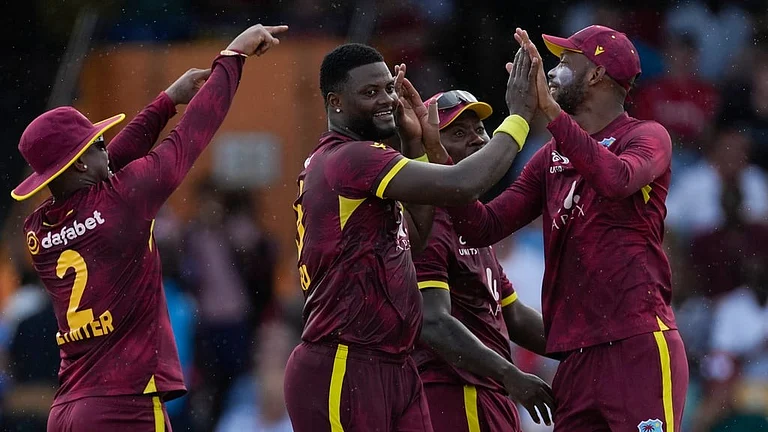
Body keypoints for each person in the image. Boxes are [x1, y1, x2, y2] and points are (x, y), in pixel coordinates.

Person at [12, 23, 288, 431]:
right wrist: (232, 58)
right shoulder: (125, 198)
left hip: (68, 410)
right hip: (125, 406)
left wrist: (168, 99)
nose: (109, 145)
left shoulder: (37, 229)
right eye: (97, 143)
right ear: (82, 163)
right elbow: (191, 136)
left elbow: (109, 165)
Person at [283, 42, 541, 432]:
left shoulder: (365, 165)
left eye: (389, 87)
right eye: (370, 92)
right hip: (345, 360)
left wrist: (415, 144)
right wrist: (519, 117)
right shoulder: (352, 157)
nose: (386, 99)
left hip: (392, 365)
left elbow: (413, 242)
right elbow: (462, 184)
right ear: (335, 103)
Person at [448, 26, 689, 432]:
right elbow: (482, 227)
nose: (553, 73)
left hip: (639, 345)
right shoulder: (549, 156)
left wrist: (551, 113)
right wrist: (436, 155)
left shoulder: (648, 136)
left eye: (564, 62)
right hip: (574, 358)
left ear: (595, 74)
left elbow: (616, 179)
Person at [412, 89, 554, 431]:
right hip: (453, 394)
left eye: (479, 130)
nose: (477, 140)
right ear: (430, 146)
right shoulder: (427, 222)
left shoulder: (470, 224)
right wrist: (510, 374)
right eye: (458, 133)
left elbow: (514, 316)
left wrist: (587, 346)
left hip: (488, 395)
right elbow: (432, 321)